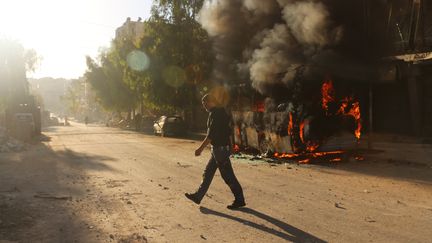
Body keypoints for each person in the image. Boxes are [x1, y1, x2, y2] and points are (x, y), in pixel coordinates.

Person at [185, 94, 245, 209]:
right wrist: (231, 146)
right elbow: (228, 131)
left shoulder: (216, 114)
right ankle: (198, 196)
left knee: (228, 176)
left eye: (205, 104)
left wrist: (200, 149)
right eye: (203, 105)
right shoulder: (221, 112)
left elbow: (211, 135)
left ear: (211, 102)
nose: (204, 107)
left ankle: (240, 199)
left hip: (220, 150)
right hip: (218, 150)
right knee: (207, 173)